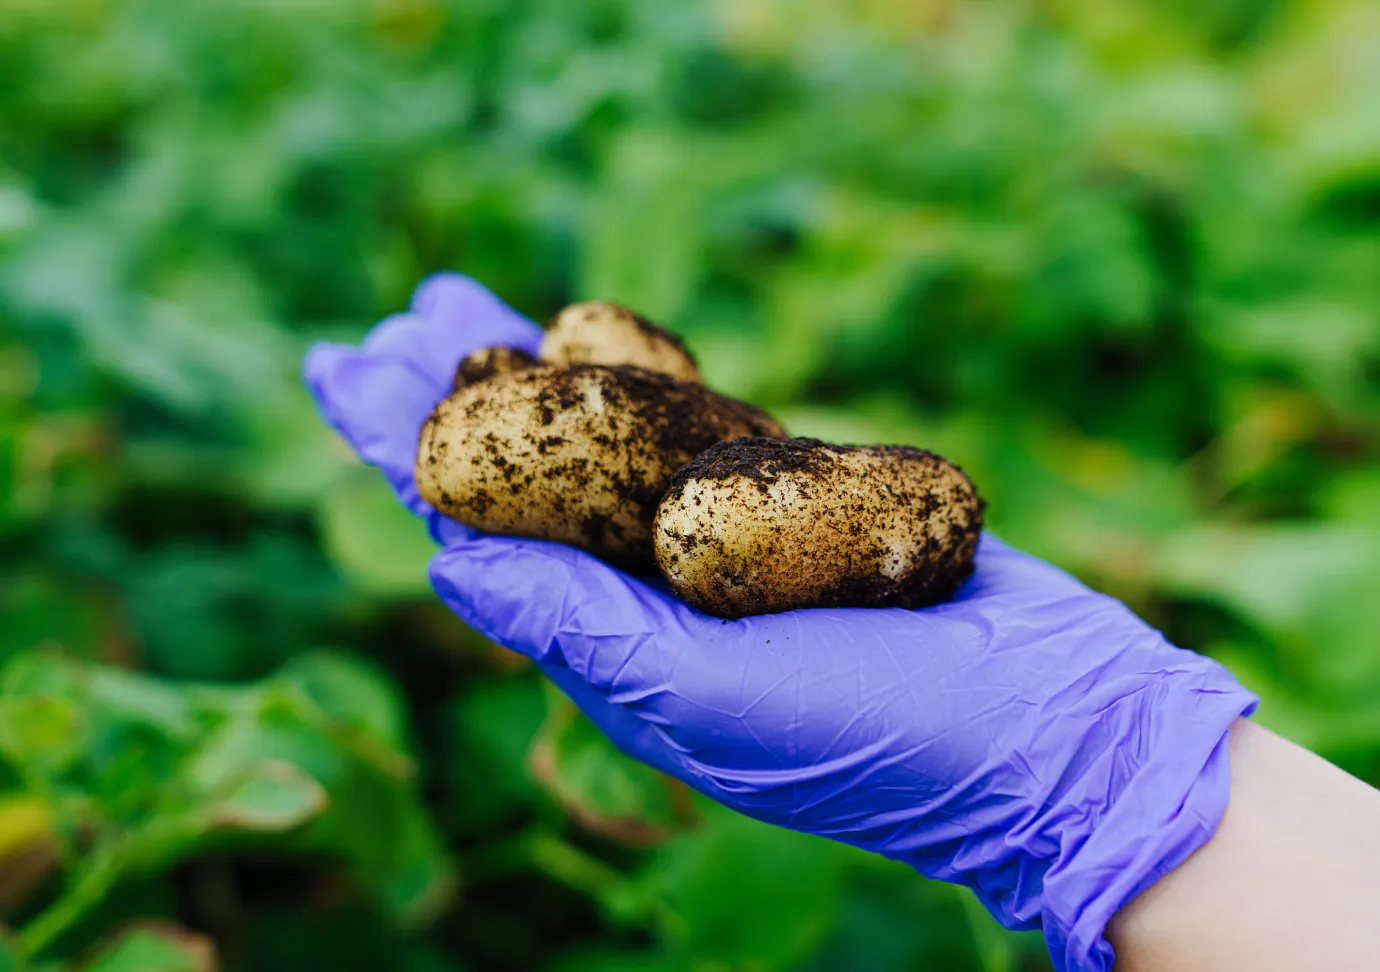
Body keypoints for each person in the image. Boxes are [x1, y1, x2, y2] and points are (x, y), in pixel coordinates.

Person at [305, 274, 1380, 972]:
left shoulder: (743, 500)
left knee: (695, 508)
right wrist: (1144, 796)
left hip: (775, 507)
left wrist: (1114, 779)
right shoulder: (681, 460)